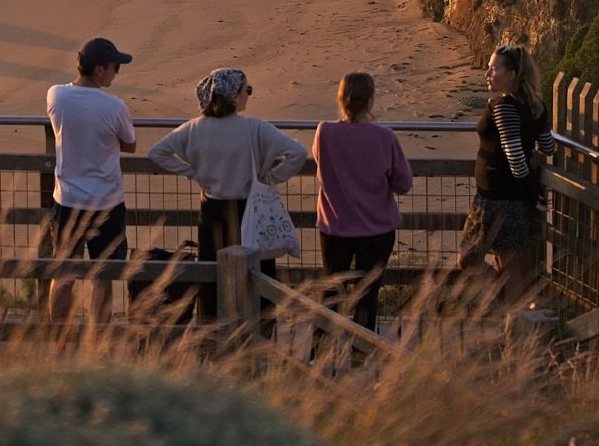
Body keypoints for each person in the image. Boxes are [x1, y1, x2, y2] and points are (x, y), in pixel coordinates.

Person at [148, 67, 306, 322]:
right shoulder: (255, 128)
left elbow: (157, 152)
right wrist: (270, 178)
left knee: (213, 277)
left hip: (212, 211)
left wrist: (193, 173)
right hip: (250, 209)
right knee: (260, 278)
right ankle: (261, 338)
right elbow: (297, 154)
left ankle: (212, 338)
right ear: (233, 95)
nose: (249, 95)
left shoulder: (194, 128)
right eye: (247, 90)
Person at [43, 37, 136, 326]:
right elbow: (130, 144)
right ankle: (96, 345)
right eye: (114, 68)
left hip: (67, 199)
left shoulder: (55, 96)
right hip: (106, 202)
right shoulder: (114, 107)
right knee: (103, 275)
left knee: (64, 272)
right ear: (99, 71)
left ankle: (59, 344)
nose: (115, 73)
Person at [312, 71, 414, 332]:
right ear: (370, 100)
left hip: (335, 227)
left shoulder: (324, 133)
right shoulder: (384, 137)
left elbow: (320, 162)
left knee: (331, 292)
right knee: (367, 295)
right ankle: (361, 354)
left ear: (341, 98)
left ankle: (321, 354)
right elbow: (403, 183)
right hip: (376, 229)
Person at [460, 43, 550, 302]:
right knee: (508, 266)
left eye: (493, 69)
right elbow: (548, 146)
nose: (487, 74)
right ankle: (514, 314)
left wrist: (533, 194)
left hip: (501, 200)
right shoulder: (537, 105)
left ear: (512, 74)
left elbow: (515, 158)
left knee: (472, 259)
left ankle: (515, 324)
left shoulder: (503, 106)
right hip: (506, 198)